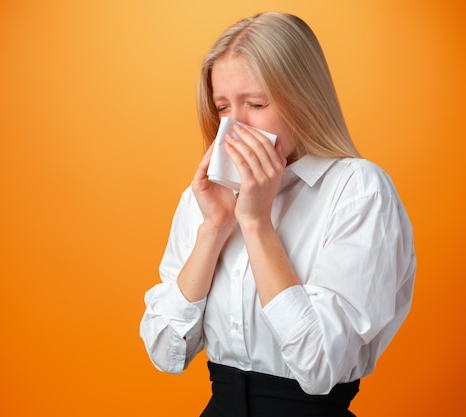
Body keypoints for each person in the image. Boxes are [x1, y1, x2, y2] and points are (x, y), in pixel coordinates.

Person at [140, 11, 416, 417]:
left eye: (255, 104)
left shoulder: (358, 190)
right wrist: (214, 228)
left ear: (303, 98)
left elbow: (320, 366)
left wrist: (256, 223)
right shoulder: (205, 199)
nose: (235, 127)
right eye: (222, 108)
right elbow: (166, 353)